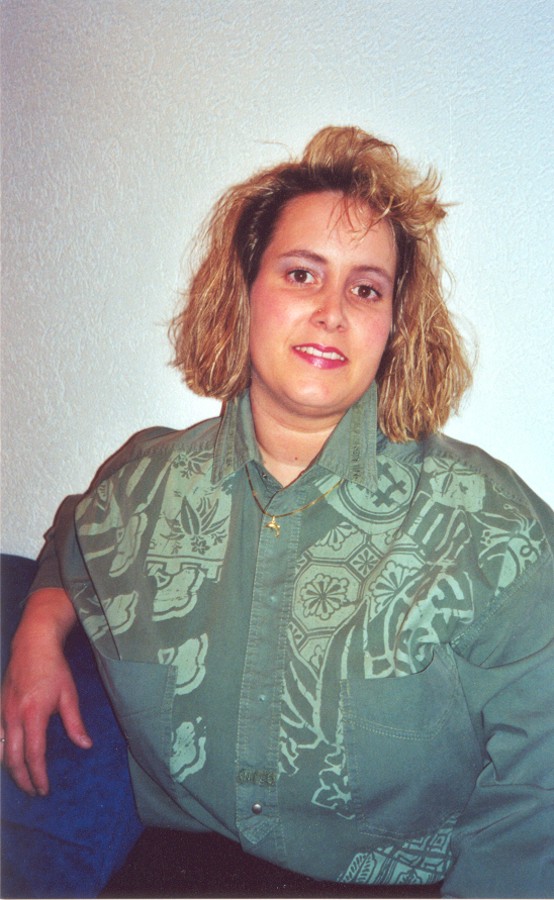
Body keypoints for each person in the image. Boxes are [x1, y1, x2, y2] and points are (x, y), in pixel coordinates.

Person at [1, 126, 553, 898]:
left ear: (395, 325)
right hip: (177, 870)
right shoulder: (144, 487)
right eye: (302, 274)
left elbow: (537, 790)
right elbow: (76, 529)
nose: (332, 311)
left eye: (366, 289)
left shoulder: (494, 531)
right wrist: (39, 625)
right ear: (245, 290)